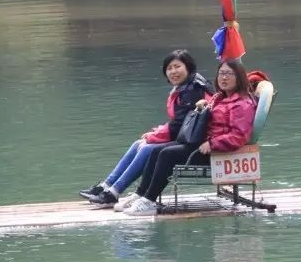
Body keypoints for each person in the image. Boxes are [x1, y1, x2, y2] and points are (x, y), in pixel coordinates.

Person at [120, 58, 258, 215]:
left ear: (239, 77)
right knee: (156, 150)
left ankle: (149, 201)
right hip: (202, 145)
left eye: (229, 74)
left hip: (219, 152)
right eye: (221, 73)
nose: (224, 78)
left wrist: (213, 144)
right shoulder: (220, 97)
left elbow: (239, 136)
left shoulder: (242, 104)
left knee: (167, 154)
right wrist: (205, 106)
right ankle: (141, 195)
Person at [79, 50, 213, 207]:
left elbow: (180, 126)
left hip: (197, 142)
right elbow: (179, 121)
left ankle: (114, 192)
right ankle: (106, 186)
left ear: (188, 67)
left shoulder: (193, 90)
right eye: (169, 68)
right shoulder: (185, 87)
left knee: (146, 148)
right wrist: (155, 133)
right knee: (139, 143)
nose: (173, 71)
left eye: (177, 66)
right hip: (187, 136)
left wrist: (153, 137)